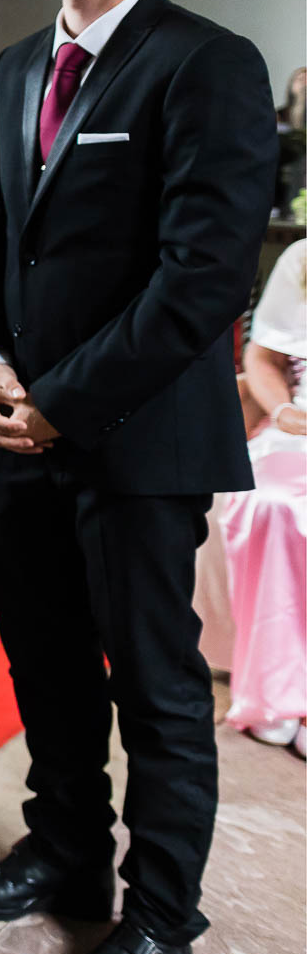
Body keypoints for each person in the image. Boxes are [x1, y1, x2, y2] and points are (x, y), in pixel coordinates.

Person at [0, 0, 277, 954]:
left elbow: (202, 277)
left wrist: (62, 405)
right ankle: (67, 856)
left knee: (157, 685)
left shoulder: (208, 63)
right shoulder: (20, 67)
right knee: (46, 667)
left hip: (134, 440)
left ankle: (161, 923)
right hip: (15, 433)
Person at [221, 238, 307, 755]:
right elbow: (263, 357)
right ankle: (277, 693)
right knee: (271, 502)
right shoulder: (302, 258)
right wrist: (284, 413)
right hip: (300, 427)